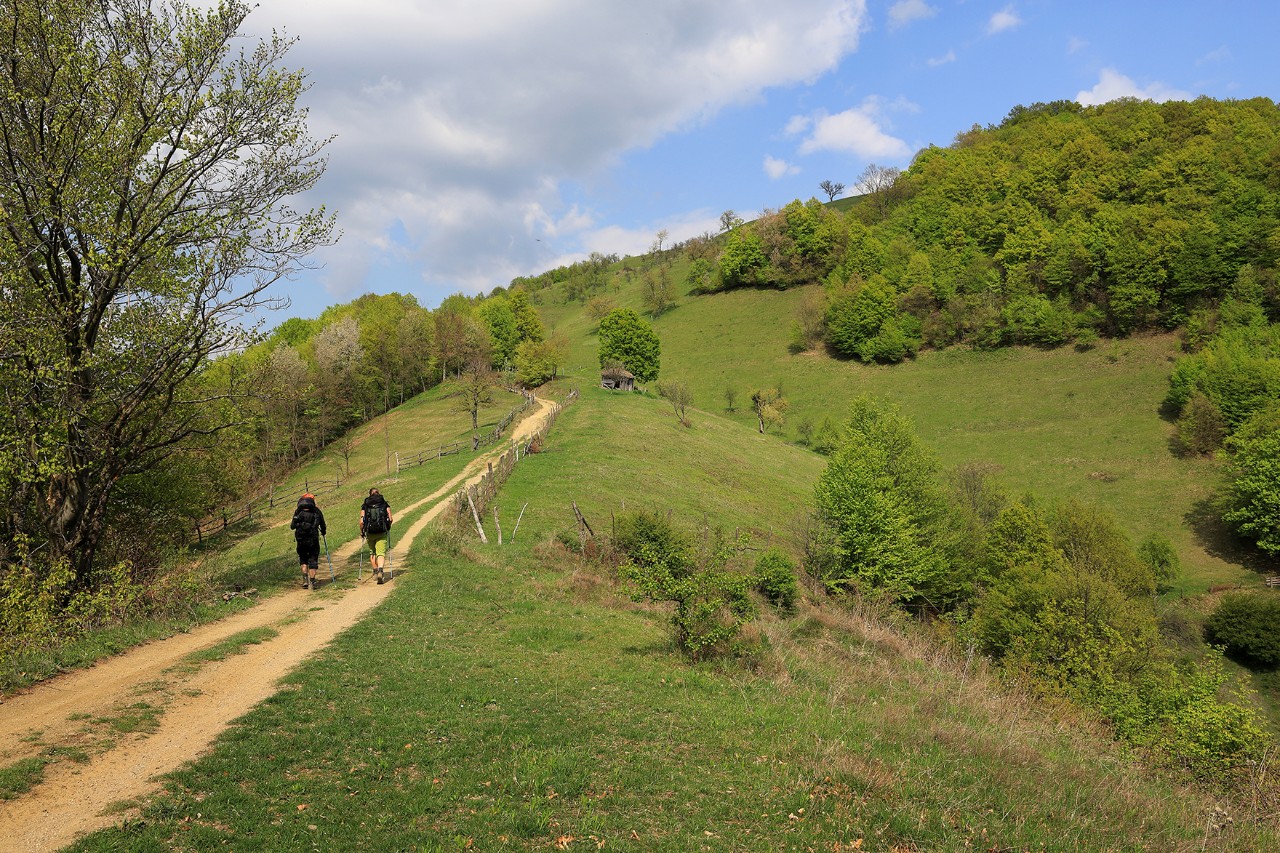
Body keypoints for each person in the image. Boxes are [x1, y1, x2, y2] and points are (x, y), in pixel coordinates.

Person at [290, 493, 327, 590]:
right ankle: (312, 580)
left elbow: (292, 526)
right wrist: (323, 532)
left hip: (301, 539)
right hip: (313, 539)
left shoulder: (298, 511)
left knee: (303, 558)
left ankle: (305, 579)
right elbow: (322, 524)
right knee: (313, 559)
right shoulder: (316, 511)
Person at [360, 487, 394, 584]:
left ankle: (375, 571)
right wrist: (388, 527)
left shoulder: (365, 505)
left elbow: (361, 522)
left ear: (370, 494)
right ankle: (380, 570)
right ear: (378, 493)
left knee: (372, 552)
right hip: (381, 532)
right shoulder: (384, 503)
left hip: (370, 532)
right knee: (381, 553)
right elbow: (390, 519)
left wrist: (362, 532)